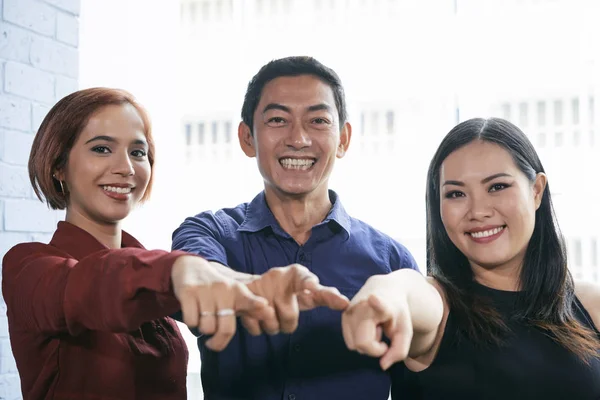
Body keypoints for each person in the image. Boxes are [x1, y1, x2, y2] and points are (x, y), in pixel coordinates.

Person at [1, 87, 343, 400]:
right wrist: (181, 268)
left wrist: (250, 285)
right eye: (102, 148)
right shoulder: (27, 267)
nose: (126, 168)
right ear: (59, 165)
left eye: (138, 152)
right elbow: (89, 285)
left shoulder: (154, 274)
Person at [172, 56, 419, 399]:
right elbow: (193, 278)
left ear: (343, 138)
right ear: (247, 137)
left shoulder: (392, 262)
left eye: (317, 120)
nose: (298, 138)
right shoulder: (210, 233)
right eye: (277, 119)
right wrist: (246, 289)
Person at [341, 117, 600, 399]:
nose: (478, 211)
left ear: (536, 191)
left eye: (497, 187)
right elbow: (406, 290)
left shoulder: (589, 305)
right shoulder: (438, 305)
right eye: (456, 193)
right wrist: (382, 295)